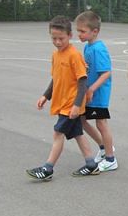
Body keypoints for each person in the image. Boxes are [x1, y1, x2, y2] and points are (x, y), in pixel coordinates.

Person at [26, 15, 99, 181]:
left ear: (70, 36)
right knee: (77, 133)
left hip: (71, 105)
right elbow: (56, 79)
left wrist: (77, 105)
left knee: (58, 134)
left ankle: (48, 168)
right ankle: (91, 164)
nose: (58, 42)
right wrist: (46, 96)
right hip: (62, 103)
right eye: (54, 38)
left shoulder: (74, 55)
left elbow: (82, 81)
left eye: (61, 38)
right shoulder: (56, 55)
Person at [76, 10, 117, 172]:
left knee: (101, 123)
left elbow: (106, 73)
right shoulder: (88, 47)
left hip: (98, 94)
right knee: (81, 120)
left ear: (95, 31)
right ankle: (104, 147)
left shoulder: (99, 49)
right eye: (78, 31)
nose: (79, 34)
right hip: (89, 92)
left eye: (82, 31)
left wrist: (92, 89)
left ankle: (110, 159)